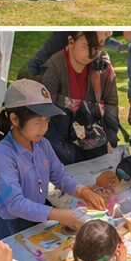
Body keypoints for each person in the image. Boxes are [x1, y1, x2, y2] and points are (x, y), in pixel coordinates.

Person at [0, 79, 106, 239]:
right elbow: (15, 204)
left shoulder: (42, 144)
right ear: (15, 119)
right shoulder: (3, 156)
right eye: (37, 122)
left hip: (39, 216)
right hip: (12, 225)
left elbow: (59, 175)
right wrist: (57, 214)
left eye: (47, 121)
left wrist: (82, 191)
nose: (44, 128)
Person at [38, 32, 119, 164]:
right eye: (86, 47)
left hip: (93, 137)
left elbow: (111, 103)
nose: (92, 54)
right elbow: (44, 103)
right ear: (71, 41)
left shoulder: (104, 66)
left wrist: (111, 137)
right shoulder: (55, 65)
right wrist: (72, 104)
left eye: (97, 48)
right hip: (61, 141)